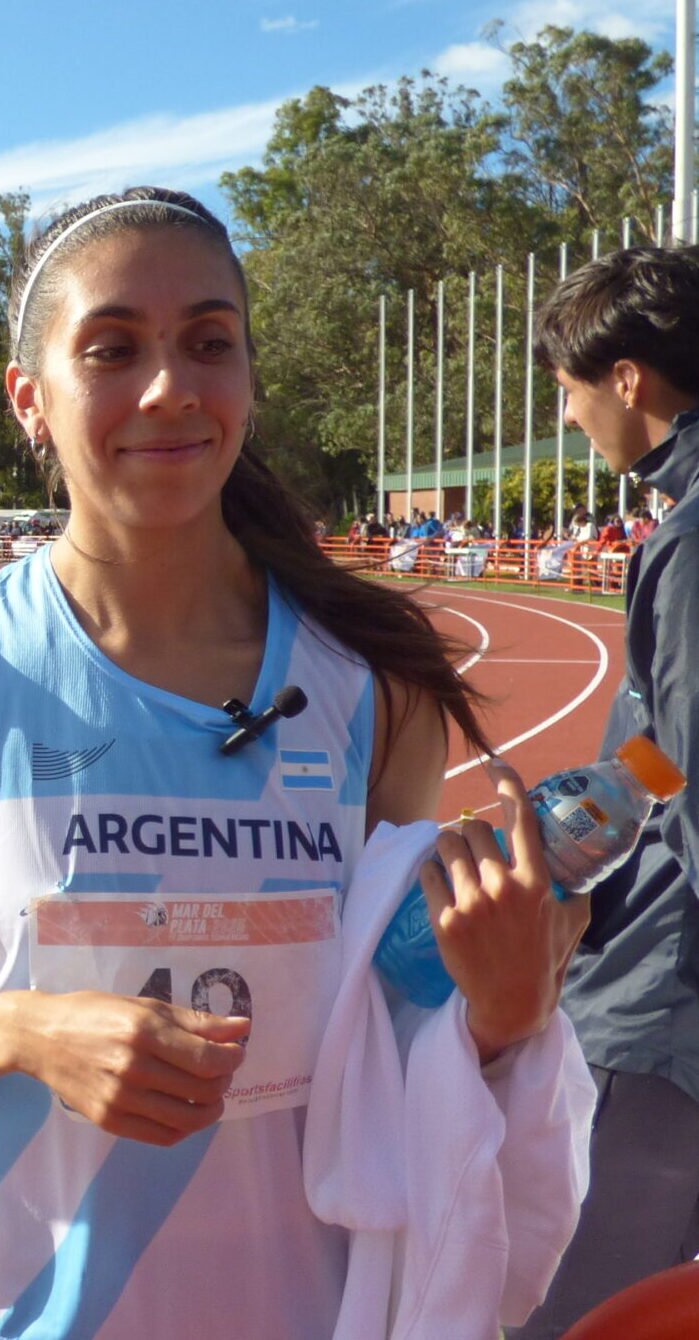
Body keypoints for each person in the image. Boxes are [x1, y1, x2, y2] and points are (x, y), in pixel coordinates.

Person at [0, 188, 591, 1339]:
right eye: (112, 348)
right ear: (31, 398)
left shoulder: (372, 675)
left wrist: (507, 1010)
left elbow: (388, 1016)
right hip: (36, 1310)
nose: (168, 386)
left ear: (248, 379)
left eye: (208, 342)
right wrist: (27, 1028)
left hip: (311, 1308)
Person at [509, 245, 699, 1339]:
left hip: (659, 1005)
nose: (570, 414)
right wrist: (607, 799)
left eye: (570, 389)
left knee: (573, 1315)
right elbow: (677, 749)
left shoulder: (689, 542)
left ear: (627, 377)